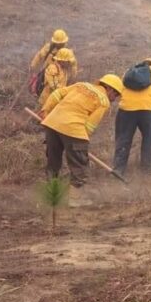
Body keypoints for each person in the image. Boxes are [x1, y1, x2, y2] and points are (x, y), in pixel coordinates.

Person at [40, 74, 123, 206]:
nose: (115, 99)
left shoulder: (81, 85)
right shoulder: (103, 101)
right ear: (109, 89)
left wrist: (46, 109)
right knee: (80, 166)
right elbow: (90, 125)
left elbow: (57, 93)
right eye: (116, 95)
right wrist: (81, 146)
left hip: (52, 124)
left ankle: (51, 196)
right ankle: (75, 199)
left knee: (53, 162)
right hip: (73, 129)